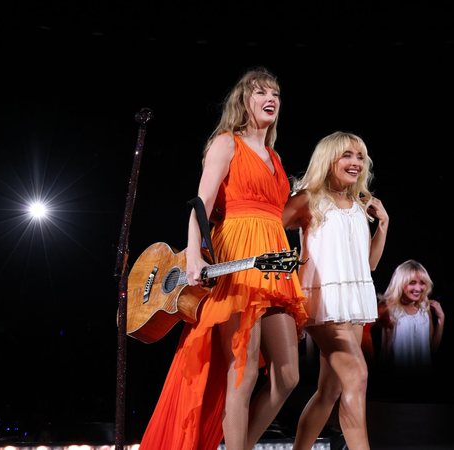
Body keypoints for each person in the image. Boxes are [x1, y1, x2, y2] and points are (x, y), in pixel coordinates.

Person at [139, 67, 308, 450]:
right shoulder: (226, 143)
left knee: (288, 376)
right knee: (242, 372)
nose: (270, 99)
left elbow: (282, 212)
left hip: (274, 261)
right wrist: (194, 256)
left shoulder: (276, 158)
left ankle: (238, 445)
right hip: (237, 255)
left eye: (276, 94)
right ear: (243, 101)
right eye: (260, 92)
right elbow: (201, 203)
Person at [282, 131, 389, 450]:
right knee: (357, 376)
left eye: (360, 156)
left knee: (329, 391)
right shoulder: (308, 198)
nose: (356, 162)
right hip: (322, 302)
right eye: (347, 155)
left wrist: (382, 225)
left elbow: (368, 264)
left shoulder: (359, 204)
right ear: (328, 159)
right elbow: (269, 230)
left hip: (353, 305)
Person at [377, 259, 444, 369]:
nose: (418, 288)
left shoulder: (424, 308)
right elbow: (384, 352)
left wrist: (441, 319)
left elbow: (431, 349)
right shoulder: (388, 309)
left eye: (422, 283)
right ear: (400, 283)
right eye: (412, 283)